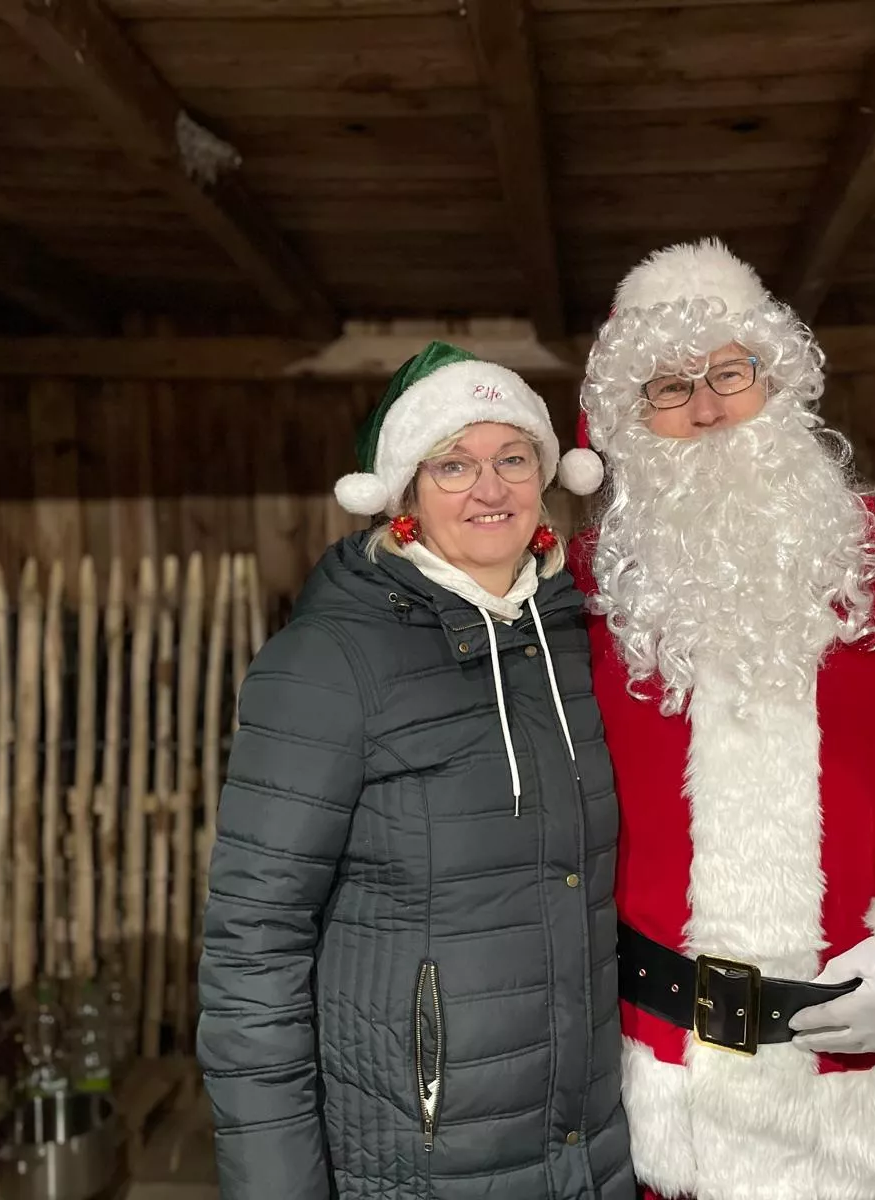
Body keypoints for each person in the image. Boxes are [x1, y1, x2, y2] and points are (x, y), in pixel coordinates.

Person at [561, 239, 875, 1200]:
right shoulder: (589, 595)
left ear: (776, 380)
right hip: (662, 1100)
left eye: (728, 373)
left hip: (866, 1102)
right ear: (625, 422)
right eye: (668, 387)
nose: (707, 409)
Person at [196, 341, 627, 1200]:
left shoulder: (578, 640)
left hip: (588, 1155)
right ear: (404, 494)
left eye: (513, 459)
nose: (490, 488)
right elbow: (254, 948)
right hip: (416, 1162)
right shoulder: (329, 662)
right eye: (453, 465)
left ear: (547, 476)